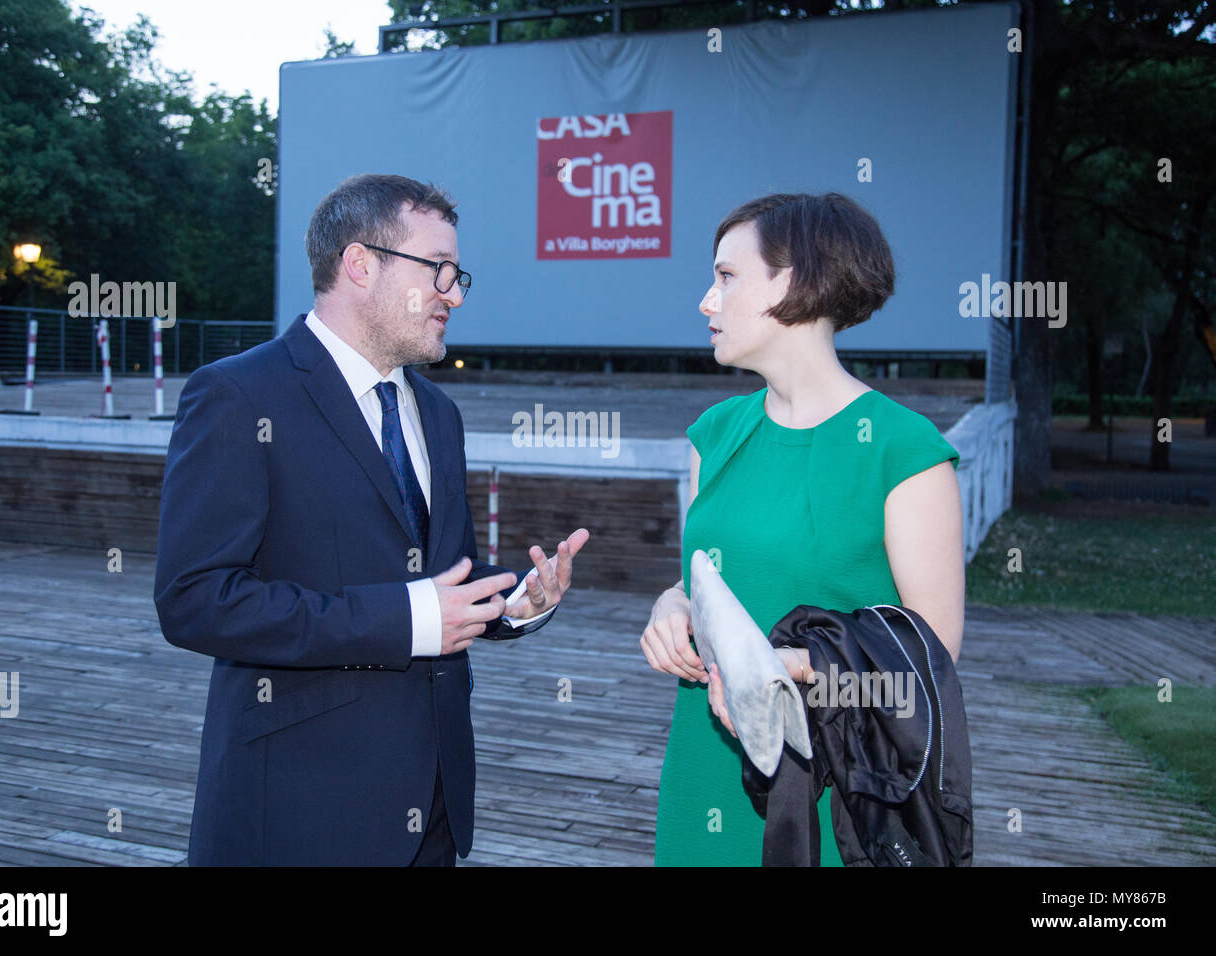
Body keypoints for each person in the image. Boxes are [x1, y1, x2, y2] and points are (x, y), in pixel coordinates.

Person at [154, 173, 589, 866]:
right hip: (298, 816)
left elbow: (442, 575)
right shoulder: (238, 395)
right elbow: (195, 600)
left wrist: (512, 603)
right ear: (360, 264)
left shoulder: (439, 413)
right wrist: (407, 619)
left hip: (434, 809)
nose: (453, 293)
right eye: (437, 269)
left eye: (457, 275)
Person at [640, 192, 964, 867]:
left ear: (794, 282)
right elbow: (711, 584)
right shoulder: (715, 435)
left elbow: (925, 670)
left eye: (727, 276)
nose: (706, 300)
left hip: (833, 788)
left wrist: (801, 670)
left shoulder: (904, 452)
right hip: (701, 769)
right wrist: (672, 605)